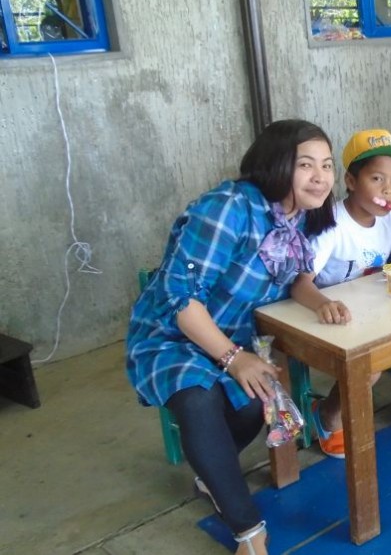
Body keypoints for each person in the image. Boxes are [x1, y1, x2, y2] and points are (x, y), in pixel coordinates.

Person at [126, 120, 338, 555]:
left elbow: (295, 277)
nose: (321, 176)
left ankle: (212, 473)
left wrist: (319, 302)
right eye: (306, 165)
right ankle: (249, 532)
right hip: (171, 335)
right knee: (198, 397)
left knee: (258, 404)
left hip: (234, 338)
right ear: (277, 165)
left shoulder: (296, 216)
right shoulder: (228, 207)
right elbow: (182, 299)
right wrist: (234, 359)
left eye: (328, 165)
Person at [289, 129, 391, 440]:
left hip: (375, 310)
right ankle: (329, 414)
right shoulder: (331, 223)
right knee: (371, 366)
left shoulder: (389, 220)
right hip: (333, 316)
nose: (387, 190)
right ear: (350, 181)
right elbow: (299, 283)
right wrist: (323, 303)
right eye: (377, 179)